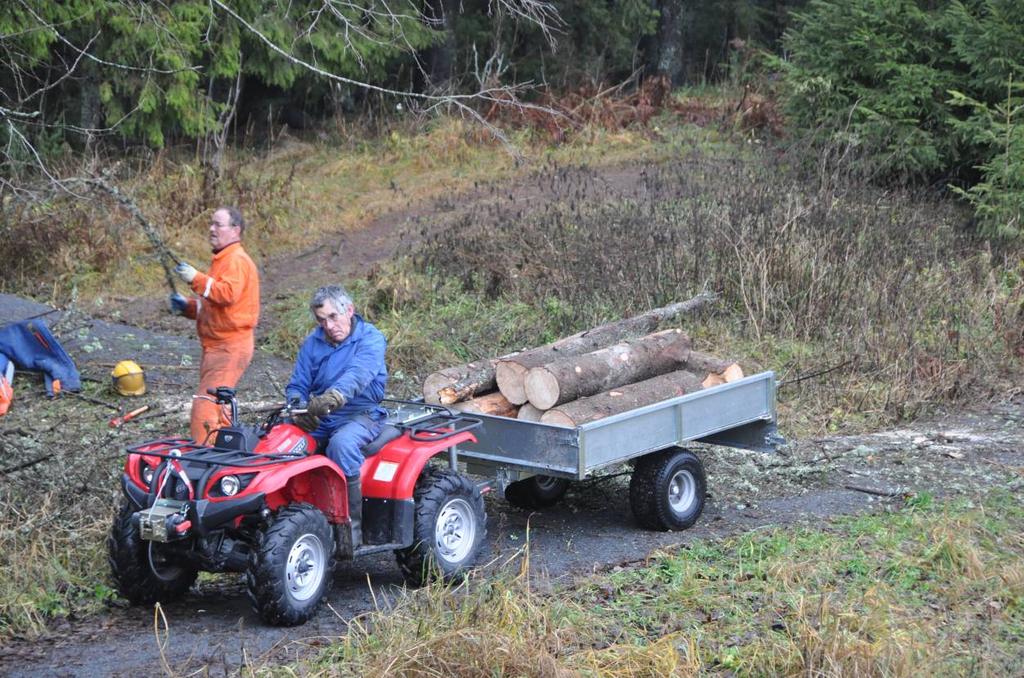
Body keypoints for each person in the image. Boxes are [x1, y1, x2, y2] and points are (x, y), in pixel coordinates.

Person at [285, 285, 387, 548]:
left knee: (341, 445)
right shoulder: (313, 343)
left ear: (349, 310)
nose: (328, 326)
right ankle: (291, 520)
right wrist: (297, 409)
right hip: (322, 416)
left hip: (361, 414)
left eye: (333, 317)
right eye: (321, 320)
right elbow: (298, 384)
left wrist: (333, 399)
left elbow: (358, 374)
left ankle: (350, 534)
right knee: (282, 441)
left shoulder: (370, 339)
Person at [169, 206, 260, 443]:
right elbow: (216, 306)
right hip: (216, 346)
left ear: (235, 230)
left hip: (229, 346)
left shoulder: (236, 260)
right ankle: (229, 448)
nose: (211, 229)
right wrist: (188, 307)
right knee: (219, 402)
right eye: (211, 223)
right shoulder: (222, 260)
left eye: (218, 224)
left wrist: (195, 278)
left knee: (205, 405)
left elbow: (226, 294)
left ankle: (205, 456)